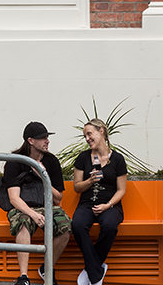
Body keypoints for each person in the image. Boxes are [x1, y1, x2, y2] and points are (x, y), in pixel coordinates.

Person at [2, 121, 71, 285]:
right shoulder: (15, 161)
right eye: (43, 138)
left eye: (47, 137)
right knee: (23, 223)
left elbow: (58, 198)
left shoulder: (51, 161)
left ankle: (47, 268)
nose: (47, 141)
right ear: (30, 141)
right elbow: (14, 198)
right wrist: (33, 214)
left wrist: (42, 175)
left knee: (66, 226)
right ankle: (24, 276)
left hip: (48, 206)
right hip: (23, 207)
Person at [71, 119, 127, 285]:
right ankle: (96, 274)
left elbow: (121, 190)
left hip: (110, 204)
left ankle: (90, 270)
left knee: (110, 226)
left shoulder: (117, 159)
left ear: (101, 131)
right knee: (77, 225)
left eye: (90, 133)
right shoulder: (83, 158)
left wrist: (107, 205)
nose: (87, 138)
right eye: (85, 136)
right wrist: (89, 181)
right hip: (87, 204)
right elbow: (77, 187)